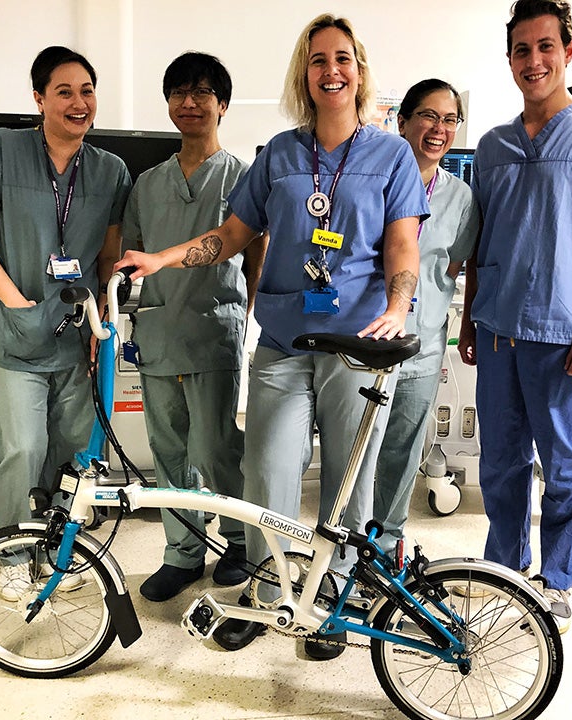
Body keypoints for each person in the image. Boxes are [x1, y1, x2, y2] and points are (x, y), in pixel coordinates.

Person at [115, 13, 428, 659]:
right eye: (318, 60)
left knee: (349, 479)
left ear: (359, 71)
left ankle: (333, 603)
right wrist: (161, 259)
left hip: (359, 343)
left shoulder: (392, 154)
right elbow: (231, 237)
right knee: (266, 471)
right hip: (285, 342)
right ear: (304, 74)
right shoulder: (282, 154)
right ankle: (267, 595)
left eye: (343, 58)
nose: (331, 70)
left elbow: (403, 248)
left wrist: (397, 307)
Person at [457, 0, 572, 632]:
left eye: (544, 47)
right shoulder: (493, 146)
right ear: (509, 59)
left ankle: (557, 581)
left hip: (565, 336)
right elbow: (482, 239)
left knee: (566, 468)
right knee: (500, 465)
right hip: (498, 329)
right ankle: (506, 574)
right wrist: (468, 316)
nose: (532, 61)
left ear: (568, 51)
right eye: (520, 50)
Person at [0, 46, 132, 600]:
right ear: (38, 99)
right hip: (14, 336)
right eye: (64, 92)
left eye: (87, 92)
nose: (79, 103)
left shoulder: (110, 170)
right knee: (22, 449)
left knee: (72, 448)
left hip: (76, 336)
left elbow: (106, 256)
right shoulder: (1, 150)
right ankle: (11, 553)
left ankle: (56, 547)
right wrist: (15, 302)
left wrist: (107, 319)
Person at [123, 52, 266, 602]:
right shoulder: (146, 183)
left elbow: (255, 258)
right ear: (168, 104)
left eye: (202, 92)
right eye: (179, 92)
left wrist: (242, 318)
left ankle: (234, 542)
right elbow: (131, 256)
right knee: (167, 451)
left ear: (222, 105)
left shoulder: (242, 177)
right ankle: (181, 554)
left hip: (214, 330)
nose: (190, 102)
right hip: (158, 332)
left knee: (215, 447)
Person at [373, 79, 479, 554]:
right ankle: (349, 545)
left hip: (422, 343)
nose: (438, 128)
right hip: (367, 339)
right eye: (428, 116)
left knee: (402, 448)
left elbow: (451, 267)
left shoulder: (460, 198)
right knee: (357, 447)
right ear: (403, 121)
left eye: (449, 119)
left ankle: (388, 540)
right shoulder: (372, 180)